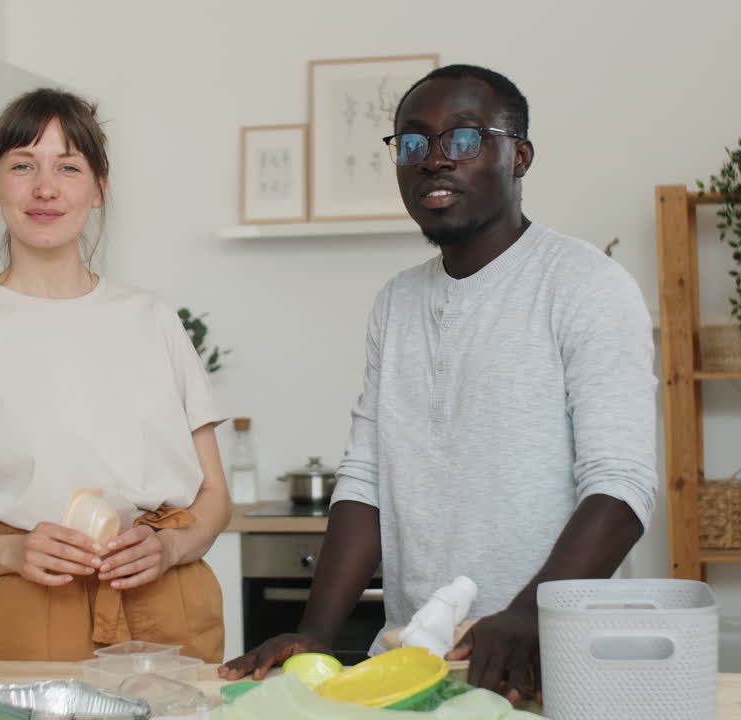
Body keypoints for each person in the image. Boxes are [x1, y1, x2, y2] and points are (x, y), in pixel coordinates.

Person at [220, 64, 657, 705]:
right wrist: (314, 632)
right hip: (416, 664)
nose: (433, 161)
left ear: (520, 156)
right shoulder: (396, 303)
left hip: (548, 665)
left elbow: (621, 486)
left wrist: (530, 613)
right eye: (414, 143)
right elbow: (366, 479)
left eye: (463, 138)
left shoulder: (586, 285)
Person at [0, 88, 231, 662]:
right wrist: (13, 554)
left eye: (68, 167)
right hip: (31, 603)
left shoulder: (153, 319)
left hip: (169, 596)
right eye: (23, 165)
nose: (45, 188)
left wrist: (171, 549)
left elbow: (214, 496)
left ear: (98, 189)